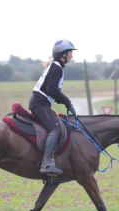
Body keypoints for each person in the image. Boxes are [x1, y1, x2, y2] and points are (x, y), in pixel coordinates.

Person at [29, 39, 77, 176]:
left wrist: (66, 102)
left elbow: (52, 91)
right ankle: (47, 163)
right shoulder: (57, 68)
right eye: (70, 53)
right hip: (40, 103)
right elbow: (52, 90)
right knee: (55, 129)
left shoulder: (56, 66)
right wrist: (67, 102)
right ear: (63, 54)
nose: (72, 56)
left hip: (41, 102)